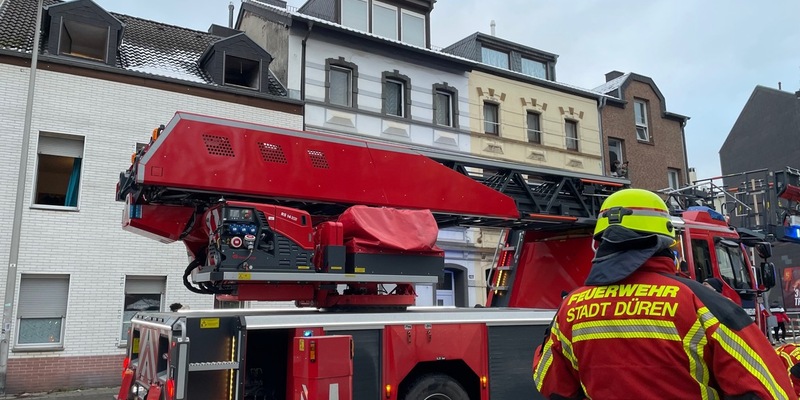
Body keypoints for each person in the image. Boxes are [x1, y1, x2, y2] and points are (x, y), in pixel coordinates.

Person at [532, 188, 793, 399]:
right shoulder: (700, 302)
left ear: (598, 243)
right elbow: (769, 390)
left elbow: (548, 382)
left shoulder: (572, 309)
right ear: (668, 240)